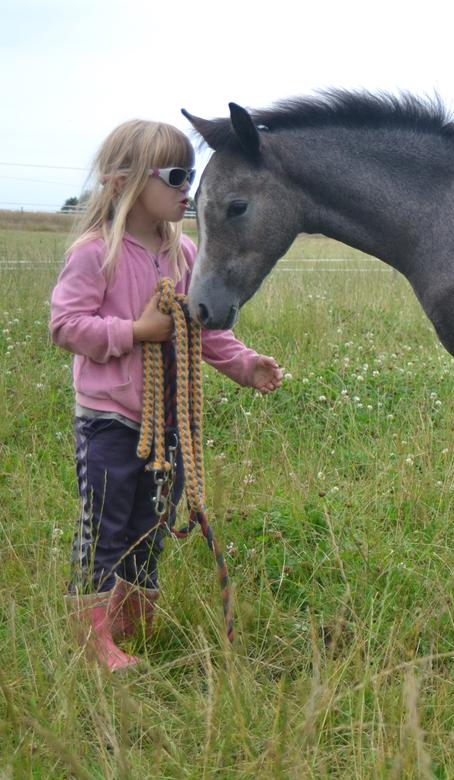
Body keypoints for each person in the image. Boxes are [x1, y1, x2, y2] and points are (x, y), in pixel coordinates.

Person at [49, 120, 284, 671]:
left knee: (152, 522)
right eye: (176, 176)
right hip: (110, 419)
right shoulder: (95, 254)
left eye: (190, 176)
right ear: (122, 182)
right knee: (105, 524)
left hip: (170, 421)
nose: (188, 188)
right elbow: (65, 325)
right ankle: (95, 637)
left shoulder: (184, 254)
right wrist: (133, 331)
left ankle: (134, 620)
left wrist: (244, 365)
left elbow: (204, 330)